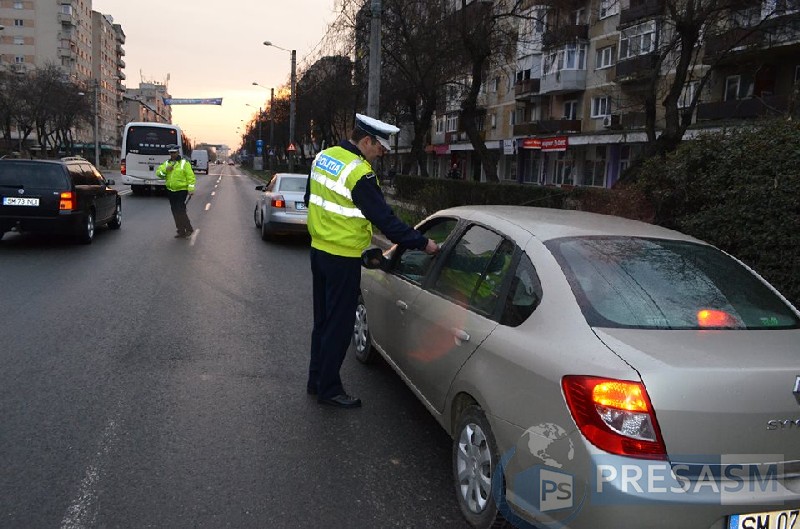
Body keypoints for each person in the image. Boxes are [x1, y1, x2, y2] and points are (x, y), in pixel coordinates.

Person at [304, 113, 439, 409]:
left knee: (323, 321)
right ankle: (329, 388)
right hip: (342, 257)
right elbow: (386, 222)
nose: (381, 155)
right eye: (380, 148)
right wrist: (423, 242)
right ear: (366, 141)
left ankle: (316, 380)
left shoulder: (323, 157)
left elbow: (309, 199)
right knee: (339, 326)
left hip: (318, 251)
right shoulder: (359, 173)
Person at [156, 145, 195, 238]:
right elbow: (159, 174)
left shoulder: (184, 163)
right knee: (174, 211)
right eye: (171, 153)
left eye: (174, 152)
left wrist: (190, 189)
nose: (172, 154)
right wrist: (166, 170)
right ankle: (181, 231)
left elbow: (190, 177)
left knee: (180, 210)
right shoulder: (166, 163)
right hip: (171, 190)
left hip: (182, 190)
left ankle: (189, 228)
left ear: (178, 152)